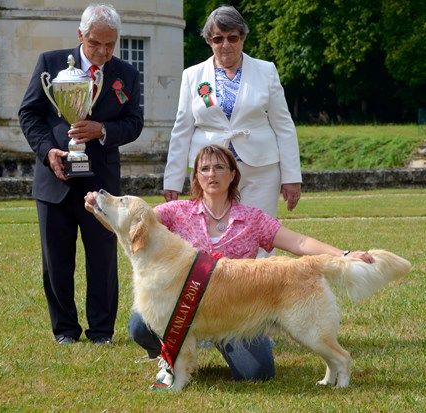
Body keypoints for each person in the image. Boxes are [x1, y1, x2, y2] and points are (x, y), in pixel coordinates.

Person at [84, 145, 373, 385]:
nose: (212, 174)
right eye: (205, 168)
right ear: (196, 175)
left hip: (242, 311)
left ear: (233, 175)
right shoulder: (176, 211)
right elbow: (132, 225)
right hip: (190, 315)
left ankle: (338, 365)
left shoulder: (251, 217)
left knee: (257, 374)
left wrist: (343, 255)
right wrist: (101, 209)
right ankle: (172, 360)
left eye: (220, 167)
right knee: (140, 323)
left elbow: (298, 243)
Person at [19, 4, 143, 345]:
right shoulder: (50, 64)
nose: (103, 52)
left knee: (103, 261)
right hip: (53, 180)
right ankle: (65, 331)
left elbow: (134, 123)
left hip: (101, 184)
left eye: (110, 45)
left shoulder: (126, 74)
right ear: (80, 36)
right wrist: (48, 152)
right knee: (56, 262)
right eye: (95, 44)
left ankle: (102, 331)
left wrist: (102, 129)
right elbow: (29, 114)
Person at [162, 5, 302, 223]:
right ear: (209, 41)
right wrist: (172, 180)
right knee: (212, 232)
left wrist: (292, 177)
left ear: (243, 38)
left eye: (232, 38)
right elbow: (181, 130)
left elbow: (284, 125)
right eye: (218, 39)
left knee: (259, 232)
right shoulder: (192, 76)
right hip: (209, 171)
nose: (225, 45)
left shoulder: (266, 71)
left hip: (260, 170)